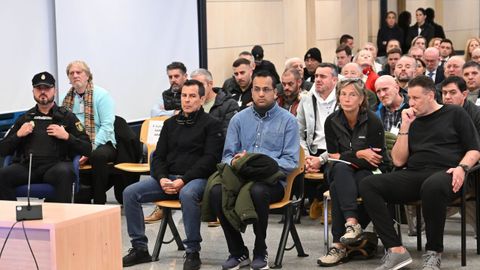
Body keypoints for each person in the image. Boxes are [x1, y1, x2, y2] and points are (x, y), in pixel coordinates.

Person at [360, 76, 480, 270]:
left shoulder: (455, 113)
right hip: (415, 173)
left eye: (416, 98)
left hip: (448, 172)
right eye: (410, 98)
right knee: (369, 184)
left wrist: (462, 168)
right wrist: (405, 126)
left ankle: (433, 252)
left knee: (432, 185)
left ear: (431, 95)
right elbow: (398, 160)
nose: (411, 103)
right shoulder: (411, 119)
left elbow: (474, 149)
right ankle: (395, 250)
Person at [122, 79, 224, 269]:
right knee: (130, 193)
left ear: (202, 99)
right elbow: (158, 156)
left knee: (187, 193)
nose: (187, 100)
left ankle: (192, 251)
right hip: (167, 179)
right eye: (184, 96)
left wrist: (183, 180)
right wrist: (161, 178)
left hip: (196, 179)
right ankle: (140, 249)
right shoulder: (170, 124)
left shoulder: (212, 124)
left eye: (192, 96)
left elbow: (210, 160)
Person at [209, 70, 299, 270]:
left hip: (273, 181)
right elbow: (227, 156)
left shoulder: (288, 121)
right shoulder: (238, 119)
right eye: (256, 89)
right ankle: (238, 252)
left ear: (275, 93)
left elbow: (291, 161)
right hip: (241, 177)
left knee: (257, 191)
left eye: (266, 89)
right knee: (216, 191)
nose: (260, 94)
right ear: (251, 91)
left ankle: (261, 250)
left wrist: (257, 162)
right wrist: (237, 162)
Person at [317, 78, 388, 267]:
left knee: (336, 185)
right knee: (340, 168)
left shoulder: (372, 120)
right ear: (338, 97)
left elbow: (375, 158)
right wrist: (358, 153)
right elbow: (333, 156)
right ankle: (352, 224)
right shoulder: (331, 121)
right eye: (343, 94)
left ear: (362, 99)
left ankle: (338, 246)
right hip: (339, 169)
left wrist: (348, 156)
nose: (347, 98)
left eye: (352, 94)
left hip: (368, 172)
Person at [0, 72, 91, 203]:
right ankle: (12, 220)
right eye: (39, 88)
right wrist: (18, 135)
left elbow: (87, 148)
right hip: (28, 168)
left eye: (47, 88)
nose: (43, 92)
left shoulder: (67, 117)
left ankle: (60, 221)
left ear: (54, 90)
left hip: (55, 167)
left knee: (65, 173)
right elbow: (3, 149)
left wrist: (66, 136)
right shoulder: (25, 118)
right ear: (33, 91)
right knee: (3, 176)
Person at [62, 60, 116, 205]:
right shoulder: (65, 99)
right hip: (77, 141)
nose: (75, 75)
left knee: (98, 156)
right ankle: (70, 199)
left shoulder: (102, 95)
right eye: (71, 73)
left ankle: (99, 202)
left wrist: (90, 148)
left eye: (78, 72)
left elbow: (107, 126)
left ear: (87, 76)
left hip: (102, 141)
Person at [297, 63, 338, 172]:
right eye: (316, 76)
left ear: (334, 80)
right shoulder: (306, 100)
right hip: (311, 151)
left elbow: (343, 139)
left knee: (333, 172)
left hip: (335, 153)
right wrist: (306, 158)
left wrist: (321, 160)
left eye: (323, 76)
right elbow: (298, 133)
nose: (318, 80)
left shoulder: (342, 100)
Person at [190, 68, 239, 135]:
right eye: (193, 86)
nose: (197, 89)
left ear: (210, 84)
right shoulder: (191, 104)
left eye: (200, 85)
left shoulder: (229, 104)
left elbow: (228, 134)